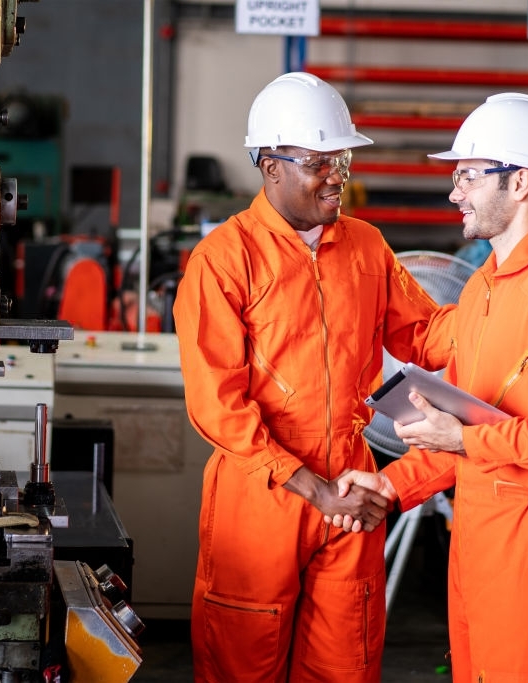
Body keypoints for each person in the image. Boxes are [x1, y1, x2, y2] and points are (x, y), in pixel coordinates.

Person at [332, 93, 528, 681]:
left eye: (468, 175)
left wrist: (468, 442)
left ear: (520, 182)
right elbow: (461, 432)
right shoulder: (481, 290)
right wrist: (386, 486)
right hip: (475, 535)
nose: (454, 192)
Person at [172, 72, 454, 683]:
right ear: (270, 167)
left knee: (344, 666)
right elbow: (218, 405)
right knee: (244, 667)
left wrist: (501, 308)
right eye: (318, 162)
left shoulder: (367, 248)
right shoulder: (224, 260)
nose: (337, 175)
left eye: (342, 158)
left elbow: (428, 338)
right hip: (261, 495)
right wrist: (310, 486)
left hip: (349, 492)